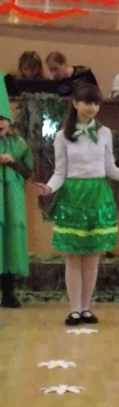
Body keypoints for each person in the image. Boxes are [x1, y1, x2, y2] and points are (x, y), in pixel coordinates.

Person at [34, 84, 119, 325]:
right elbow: (60, 172)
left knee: (93, 256)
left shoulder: (105, 133)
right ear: (75, 103)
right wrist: (48, 188)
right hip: (73, 197)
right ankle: (74, 309)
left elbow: (110, 168)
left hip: (98, 196)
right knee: (73, 256)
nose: (92, 107)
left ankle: (86, 308)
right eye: (87, 102)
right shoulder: (62, 136)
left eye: (96, 103)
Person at [0, 70, 34, 308]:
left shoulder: (18, 143)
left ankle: (9, 292)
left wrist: (12, 162)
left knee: (10, 242)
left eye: (2, 118)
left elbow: (28, 171)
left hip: (11, 201)